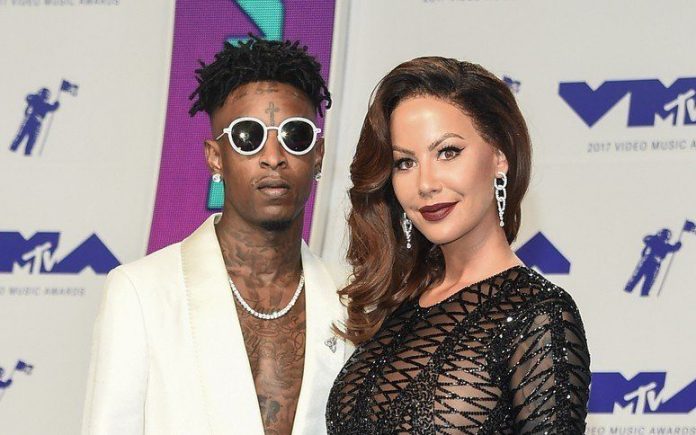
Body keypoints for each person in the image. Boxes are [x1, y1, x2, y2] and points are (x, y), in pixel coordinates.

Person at [82, 37, 348, 435]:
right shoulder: (141, 293)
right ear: (215, 157)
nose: (273, 157)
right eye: (247, 136)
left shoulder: (353, 299)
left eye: (295, 136)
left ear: (318, 154)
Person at [326, 57, 591, 433]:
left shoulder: (538, 314)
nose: (425, 183)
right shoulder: (394, 307)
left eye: (447, 152)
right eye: (405, 162)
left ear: (499, 155)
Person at [624, 228, 682, 296]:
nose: (664, 238)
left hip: (654, 264)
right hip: (647, 262)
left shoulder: (664, 245)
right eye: (664, 236)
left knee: (647, 284)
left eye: (666, 237)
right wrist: (677, 246)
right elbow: (646, 239)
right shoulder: (654, 240)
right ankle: (627, 293)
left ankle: (641, 295)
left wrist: (678, 245)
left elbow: (673, 248)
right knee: (635, 280)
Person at [9, 87, 60, 156]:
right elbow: (28, 97)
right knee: (20, 138)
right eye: (44, 94)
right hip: (29, 121)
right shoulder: (35, 100)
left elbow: (53, 108)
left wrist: (56, 104)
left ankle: (25, 154)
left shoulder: (45, 105)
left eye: (45, 95)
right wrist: (56, 105)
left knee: (30, 142)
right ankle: (12, 151)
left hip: (36, 123)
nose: (44, 97)